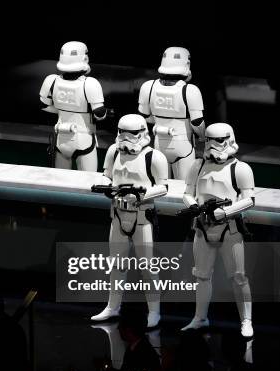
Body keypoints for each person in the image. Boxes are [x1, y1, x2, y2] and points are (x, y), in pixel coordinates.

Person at [90, 114, 168, 328]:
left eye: (131, 133)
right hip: (117, 214)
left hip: (142, 216)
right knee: (116, 264)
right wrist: (107, 187)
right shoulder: (113, 151)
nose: (125, 138)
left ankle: (154, 311)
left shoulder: (154, 157)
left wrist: (141, 195)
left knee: (148, 266)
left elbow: (163, 187)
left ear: (142, 132)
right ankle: (113, 306)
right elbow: (106, 175)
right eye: (122, 132)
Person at [180, 123, 254, 337]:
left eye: (219, 140)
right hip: (203, 228)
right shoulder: (197, 166)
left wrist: (226, 212)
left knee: (239, 277)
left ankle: (246, 320)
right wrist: (192, 205)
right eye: (209, 140)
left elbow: (249, 200)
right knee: (202, 276)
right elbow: (187, 192)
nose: (213, 145)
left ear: (229, 139)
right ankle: (200, 317)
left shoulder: (240, 168)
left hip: (229, 228)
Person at [138, 47, 205, 181]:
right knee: (184, 188)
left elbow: (144, 116)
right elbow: (197, 122)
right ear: (186, 64)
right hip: (184, 146)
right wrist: (202, 137)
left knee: (160, 186)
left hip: (159, 144)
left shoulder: (148, 86)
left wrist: (159, 121)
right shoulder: (190, 90)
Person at [39, 41, 106, 171]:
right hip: (84, 138)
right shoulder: (90, 84)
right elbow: (99, 114)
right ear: (84, 58)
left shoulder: (51, 80)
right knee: (88, 182)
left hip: (60, 139)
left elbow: (43, 106)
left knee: (61, 182)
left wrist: (61, 110)